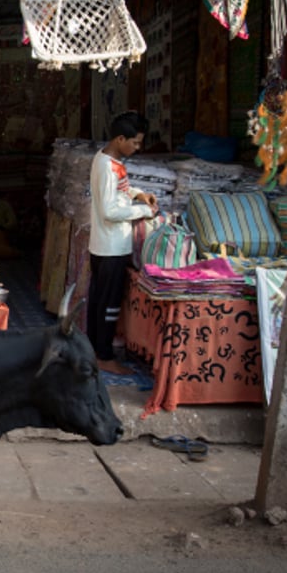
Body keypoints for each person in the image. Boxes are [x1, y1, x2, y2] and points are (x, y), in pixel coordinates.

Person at [88, 111, 158, 375]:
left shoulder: (108, 160)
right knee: (108, 303)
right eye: (135, 142)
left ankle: (97, 349)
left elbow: (120, 190)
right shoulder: (106, 167)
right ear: (120, 138)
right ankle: (104, 355)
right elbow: (109, 210)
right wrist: (143, 212)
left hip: (106, 244)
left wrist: (139, 194)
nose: (137, 148)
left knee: (100, 299)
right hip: (111, 246)